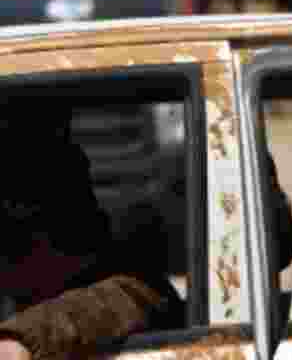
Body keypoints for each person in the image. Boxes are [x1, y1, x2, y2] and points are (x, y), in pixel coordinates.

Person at [0, 130, 185, 360]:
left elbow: (124, 301)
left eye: (18, 241)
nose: (9, 262)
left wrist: (22, 340)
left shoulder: (129, 291)